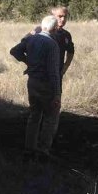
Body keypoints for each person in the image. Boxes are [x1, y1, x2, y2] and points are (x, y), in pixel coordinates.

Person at [10, 15, 61, 160]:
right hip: (46, 84)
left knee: (34, 115)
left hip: (32, 82)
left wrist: (29, 62)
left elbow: (14, 51)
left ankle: (29, 148)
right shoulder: (52, 45)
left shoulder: (31, 39)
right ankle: (43, 150)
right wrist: (57, 93)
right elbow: (53, 72)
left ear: (42, 25)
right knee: (50, 117)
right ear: (55, 28)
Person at [27, 5, 75, 77]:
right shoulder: (40, 30)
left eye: (65, 17)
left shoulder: (66, 35)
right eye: (60, 16)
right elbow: (24, 42)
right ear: (53, 16)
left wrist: (66, 66)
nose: (63, 19)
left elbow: (70, 51)